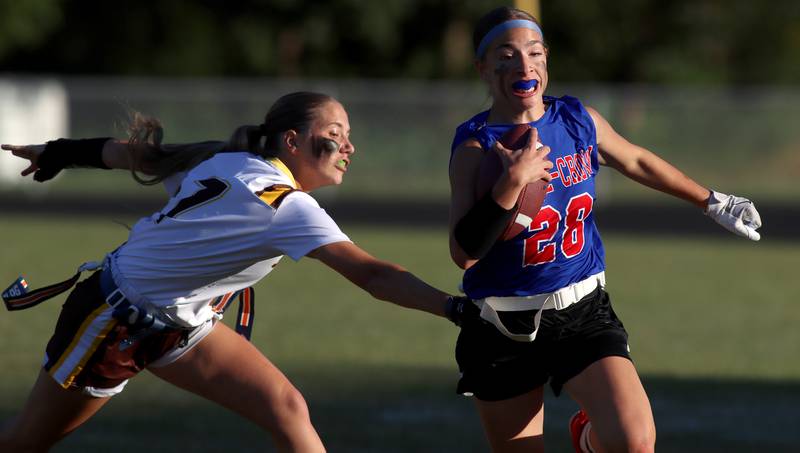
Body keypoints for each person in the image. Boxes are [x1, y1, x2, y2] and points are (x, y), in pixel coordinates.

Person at [0, 91, 475, 452]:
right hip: (116, 321)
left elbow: (137, 155)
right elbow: (373, 276)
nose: (349, 146)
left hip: (182, 325)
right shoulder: (285, 204)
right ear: (291, 140)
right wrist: (456, 309)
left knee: (286, 407)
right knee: (25, 444)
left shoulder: (227, 159)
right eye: (335, 132)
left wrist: (60, 151)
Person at [447, 7, 762, 453]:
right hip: (503, 326)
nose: (523, 65)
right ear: (482, 66)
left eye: (534, 53)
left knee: (634, 442)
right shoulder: (476, 146)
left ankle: (589, 441)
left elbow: (635, 160)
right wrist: (511, 183)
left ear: (546, 58)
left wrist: (711, 201)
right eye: (506, 55)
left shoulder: (578, 120)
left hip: (582, 311)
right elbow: (464, 253)